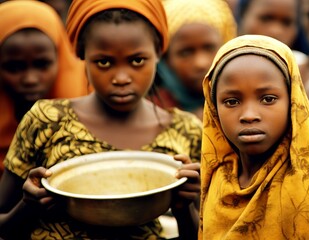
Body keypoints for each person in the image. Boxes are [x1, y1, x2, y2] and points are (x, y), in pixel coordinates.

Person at [0, 0, 202, 239]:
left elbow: (201, 232)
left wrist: (184, 207)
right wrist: (29, 207)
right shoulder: (46, 120)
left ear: (158, 52)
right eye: (104, 62)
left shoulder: (186, 130)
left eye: (137, 60)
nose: (121, 78)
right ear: (81, 54)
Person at [198, 35, 309, 239]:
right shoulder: (218, 177)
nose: (249, 115)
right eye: (232, 101)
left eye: (268, 99)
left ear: (293, 103)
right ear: (213, 108)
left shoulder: (308, 190)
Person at [0, 1, 88, 179]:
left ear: (61, 58)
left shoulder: (91, 99)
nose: (30, 79)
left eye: (42, 64)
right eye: (14, 67)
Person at [150, 0, 236, 120]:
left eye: (209, 48)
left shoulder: (243, 100)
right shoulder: (154, 112)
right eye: (186, 52)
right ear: (166, 58)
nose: (200, 63)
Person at [235, 0, 309, 65]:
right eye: (266, 18)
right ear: (242, 16)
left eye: (286, 22)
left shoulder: (301, 69)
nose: (276, 31)